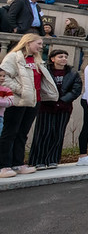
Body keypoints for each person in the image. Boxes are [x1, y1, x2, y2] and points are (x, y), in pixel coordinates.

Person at [0, 34, 58, 176]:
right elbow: (4, 77)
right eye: (38, 43)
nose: (41, 46)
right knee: (10, 133)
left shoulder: (37, 60)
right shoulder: (13, 57)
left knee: (22, 134)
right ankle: (4, 165)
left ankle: (17, 163)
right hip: (17, 102)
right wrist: (21, 90)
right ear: (28, 42)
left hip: (33, 102)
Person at [27, 49, 82, 169]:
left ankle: (52, 159)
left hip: (64, 107)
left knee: (58, 133)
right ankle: (38, 160)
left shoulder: (72, 73)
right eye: (60, 56)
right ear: (52, 59)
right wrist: (51, 100)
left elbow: (76, 89)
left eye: (65, 57)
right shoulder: (45, 70)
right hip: (46, 106)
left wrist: (62, 100)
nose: (63, 59)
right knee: (43, 133)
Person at [0, 69, 16, 177]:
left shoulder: (6, 89)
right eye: (0, 76)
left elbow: (10, 101)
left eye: (3, 76)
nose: (2, 78)